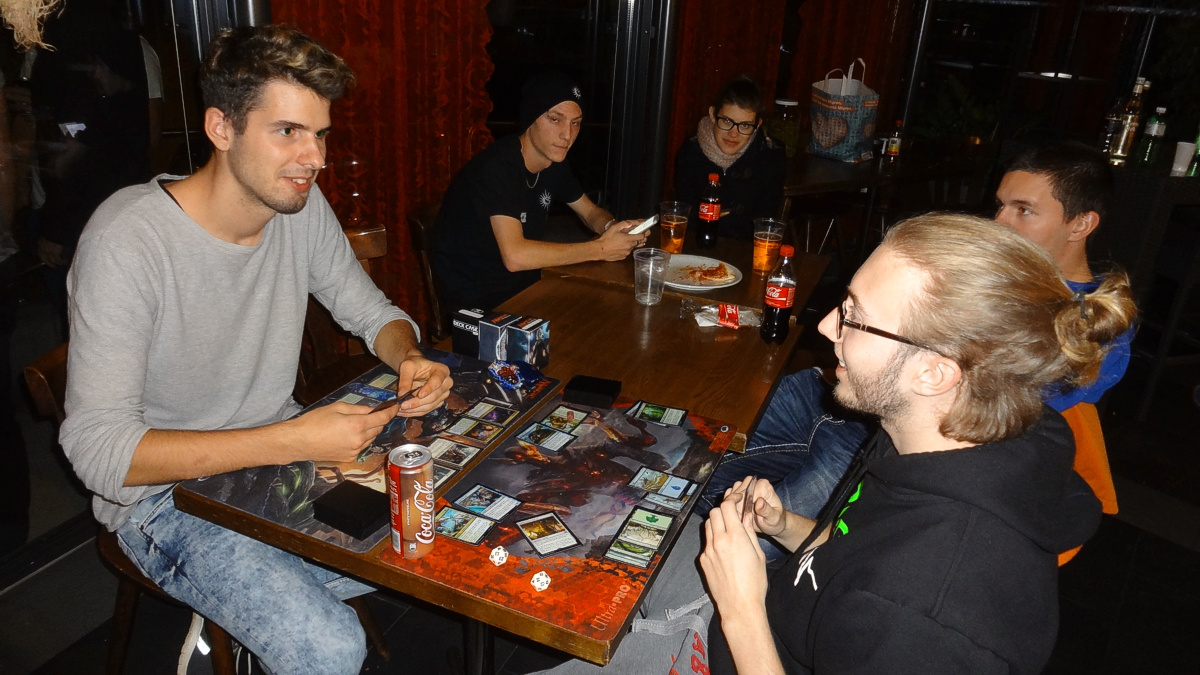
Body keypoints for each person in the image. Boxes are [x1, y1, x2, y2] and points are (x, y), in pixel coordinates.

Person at [59, 25, 452, 673]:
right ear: (221, 127)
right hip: (161, 498)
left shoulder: (299, 205)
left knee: (435, 533)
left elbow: (372, 312)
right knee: (330, 645)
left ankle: (245, 620)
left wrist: (407, 354)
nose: (313, 159)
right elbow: (99, 453)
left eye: (320, 134)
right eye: (288, 131)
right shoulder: (127, 240)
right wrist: (293, 438)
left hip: (275, 459)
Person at [703, 213, 1131, 673]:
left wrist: (741, 609)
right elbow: (856, 555)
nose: (827, 326)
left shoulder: (927, 620)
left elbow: (888, 586)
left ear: (933, 373)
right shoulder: (931, 438)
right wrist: (784, 525)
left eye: (854, 317)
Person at [702, 142, 1135, 547]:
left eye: (1024, 210)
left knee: (745, 541)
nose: (1000, 222)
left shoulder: (1085, 327)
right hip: (836, 393)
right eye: (1001, 205)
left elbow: (979, 423)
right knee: (690, 471)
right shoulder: (981, 268)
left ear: (1082, 223)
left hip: (881, 438)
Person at [433, 72, 646, 312]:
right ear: (531, 118)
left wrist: (614, 228)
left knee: (619, 309)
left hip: (527, 287)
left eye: (575, 123)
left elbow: (590, 212)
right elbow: (515, 257)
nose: (567, 134)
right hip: (479, 307)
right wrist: (601, 249)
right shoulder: (498, 167)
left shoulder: (552, 162)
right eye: (555, 120)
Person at [673, 75, 787, 240]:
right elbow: (684, 217)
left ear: (757, 125)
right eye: (727, 121)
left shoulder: (770, 158)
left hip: (744, 248)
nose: (733, 134)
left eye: (745, 125)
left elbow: (764, 226)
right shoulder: (691, 152)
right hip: (697, 246)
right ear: (713, 115)